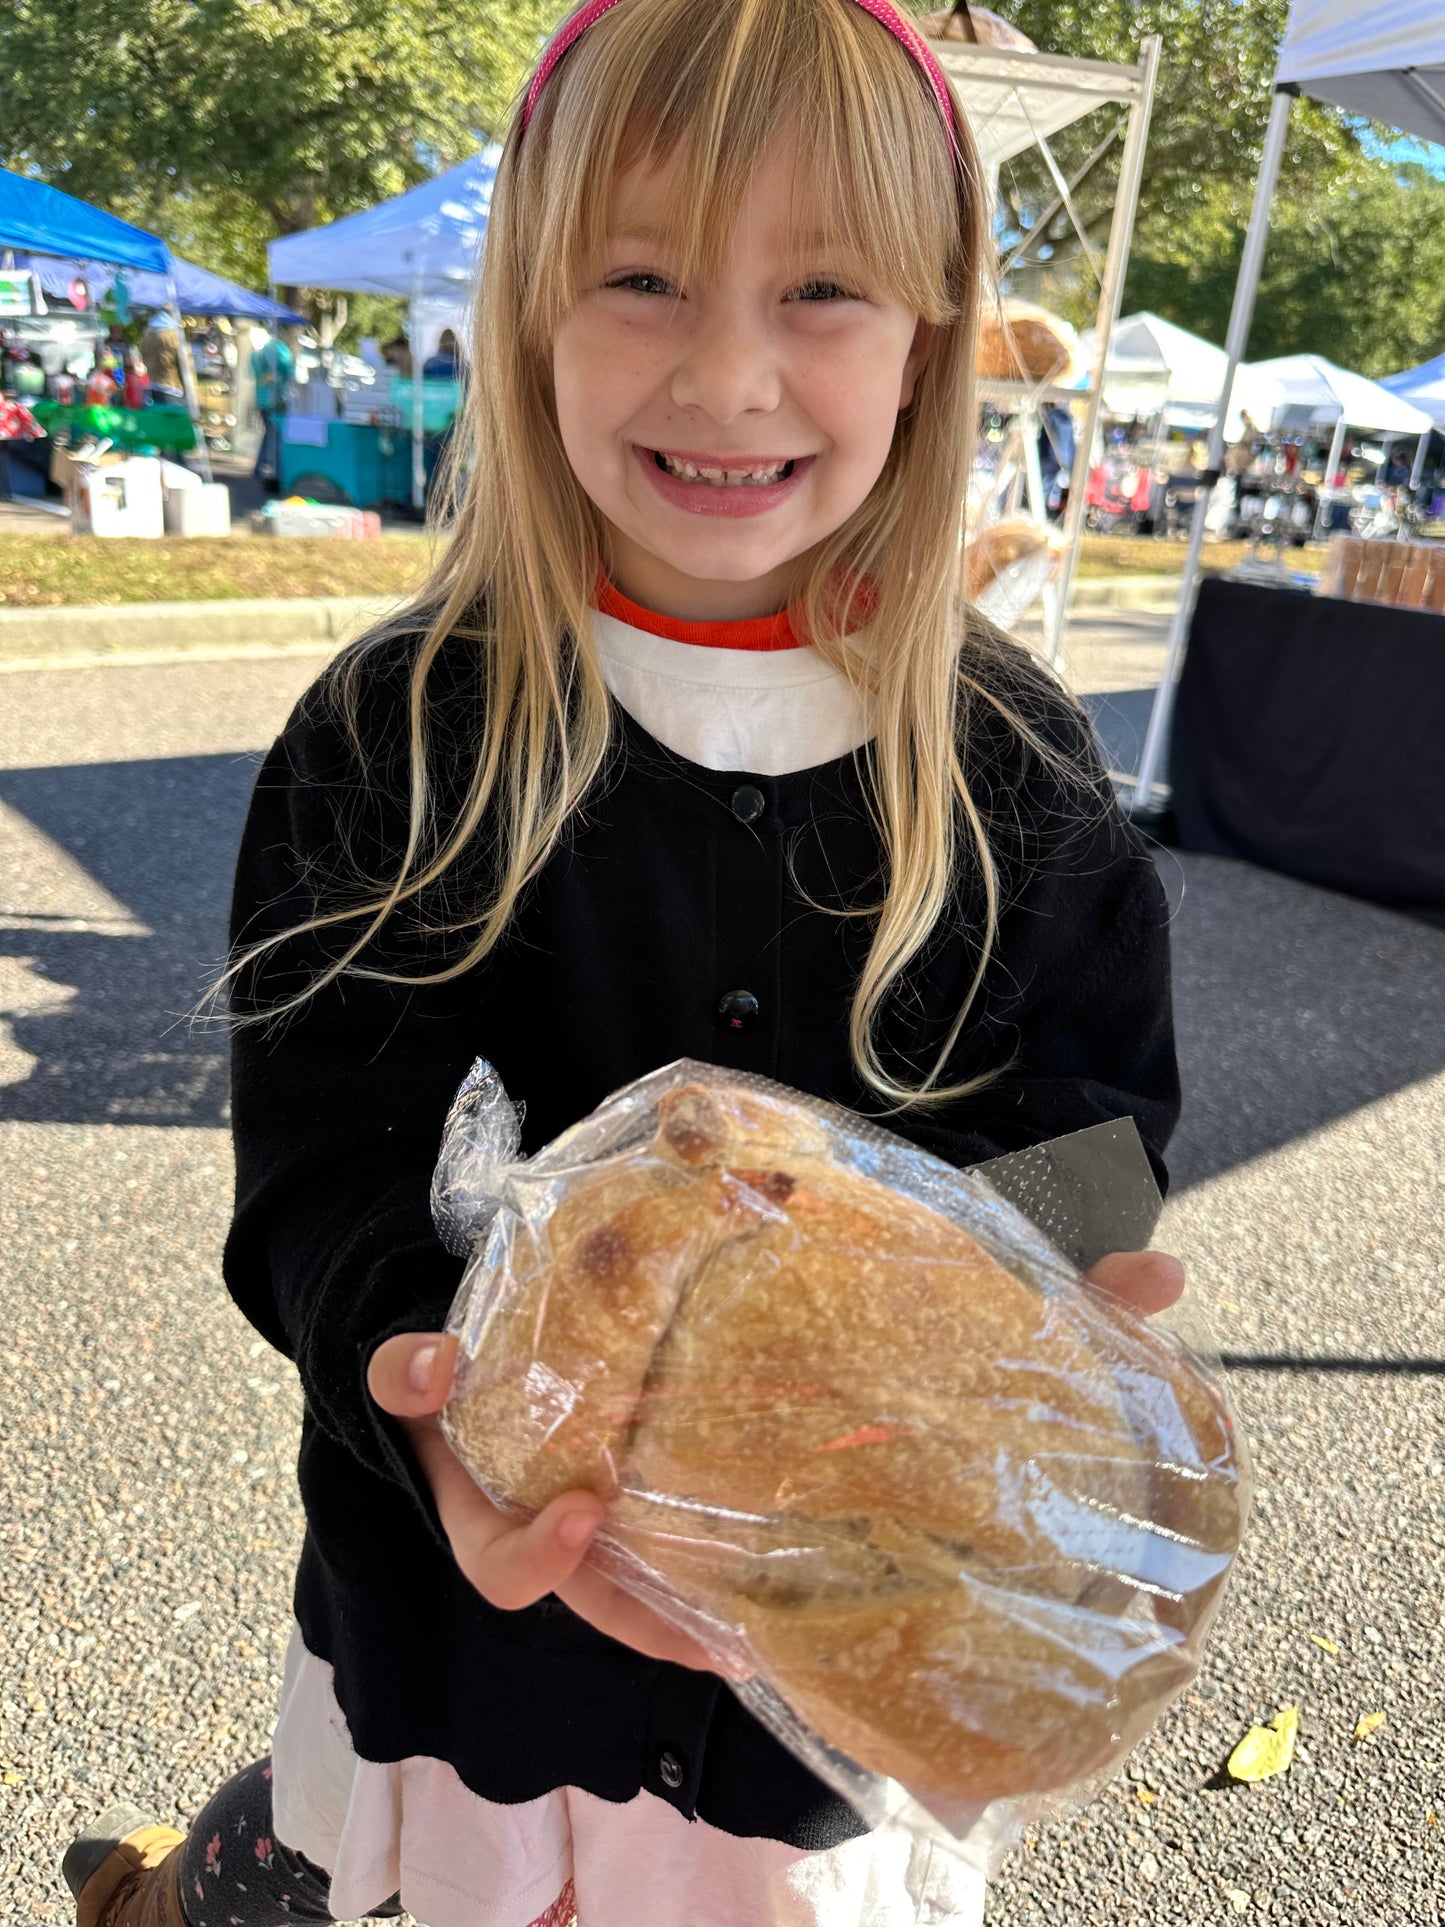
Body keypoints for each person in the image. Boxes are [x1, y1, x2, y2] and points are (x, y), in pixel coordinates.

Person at [63, 3, 1186, 1925]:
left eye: (820, 288)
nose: (729, 373)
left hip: (820, 1680)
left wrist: (1047, 1311)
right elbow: (320, 1178)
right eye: (642, 278)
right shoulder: (402, 734)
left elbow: (1099, 1118)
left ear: (930, 340)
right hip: (463, 1637)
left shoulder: (1014, 764)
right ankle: (204, 1885)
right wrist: (427, 1391)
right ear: (528, 315)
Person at [250, 327, 295, 487]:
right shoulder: (276, 349)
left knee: (269, 433)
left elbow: (252, 373)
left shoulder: (256, 352)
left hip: (262, 398)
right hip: (273, 398)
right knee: (275, 434)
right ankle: (276, 468)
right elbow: (288, 370)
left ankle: (260, 465)